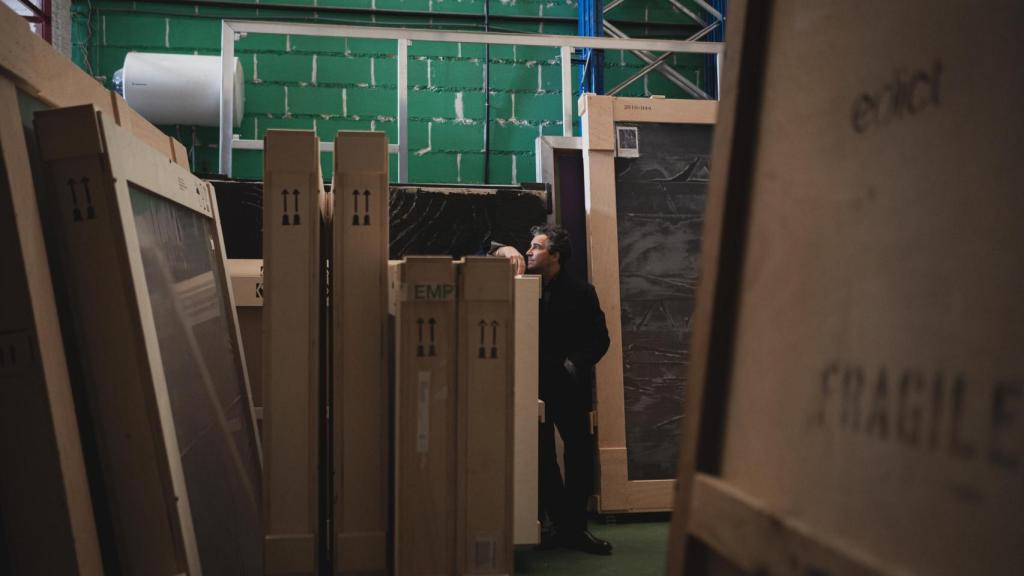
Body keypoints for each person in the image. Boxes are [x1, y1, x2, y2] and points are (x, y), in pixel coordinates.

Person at [493, 224, 613, 555]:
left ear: (555, 255)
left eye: (536, 247)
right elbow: (474, 251)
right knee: (541, 455)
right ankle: (559, 525)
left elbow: (599, 339)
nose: (529, 251)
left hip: (566, 385)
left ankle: (576, 529)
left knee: (577, 453)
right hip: (531, 383)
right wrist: (501, 249)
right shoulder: (521, 282)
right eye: (529, 246)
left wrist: (573, 366)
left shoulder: (581, 291)